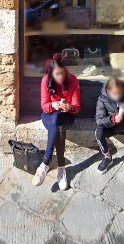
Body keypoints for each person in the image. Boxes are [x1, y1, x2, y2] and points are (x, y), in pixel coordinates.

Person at [33, 54, 80, 190]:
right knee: (56, 124)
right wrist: (54, 105)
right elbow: (44, 106)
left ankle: (45, 164)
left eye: (62, 73)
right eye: (57, 74)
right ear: (51, 75)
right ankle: (61, 168)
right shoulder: (45, 81)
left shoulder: (73, 80)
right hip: (49, 115)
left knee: (58, 119)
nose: (61, 77)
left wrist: (69, 107)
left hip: (67, 116)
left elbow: (77, 107)